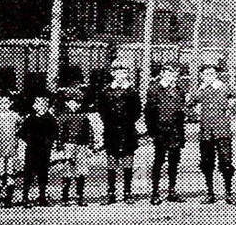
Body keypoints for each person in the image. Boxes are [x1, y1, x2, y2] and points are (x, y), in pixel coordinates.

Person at [188, 62, 236, 205]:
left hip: (222, 132)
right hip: (206, 132)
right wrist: (195, 117)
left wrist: (231, 111)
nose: (209, 77)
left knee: (226, 162)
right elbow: (187, 106)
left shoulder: (224, 88)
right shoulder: (199, 90)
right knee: (207, 162)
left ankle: (229, 193)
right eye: (206, 74)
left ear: (216, 75)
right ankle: (210, 193)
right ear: (202, 76)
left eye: (212, 74)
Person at [95, 62, 141, 204]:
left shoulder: (132, 92)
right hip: (111, 131)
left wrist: (127, 122)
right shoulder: (106, 91)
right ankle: (111, 193)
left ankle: (127, 192)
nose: (120, 75)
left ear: (127, 74)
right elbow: (101, 110)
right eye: (117, 72)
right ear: (113, 74)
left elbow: (137, 111)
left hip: (128, 131)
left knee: (128, 162)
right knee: (111, 162)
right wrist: (110, 123)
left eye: (123, 72)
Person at [146, 65, 187, 204]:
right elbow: (149, 112)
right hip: (160, 131)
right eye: (168, 73)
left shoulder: (179, 91)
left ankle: (171, 191)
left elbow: (182, 110)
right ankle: (155, 192)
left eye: (174, 73)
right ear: (162, 74)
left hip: (175, 131)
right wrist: (152, 131)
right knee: (158, 161)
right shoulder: (154, 89)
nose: (171, 76)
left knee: (174, 162)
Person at [55, 84, 95, 206]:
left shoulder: (84, 116)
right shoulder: (63, 116)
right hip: (68, 145)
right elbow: (60, 132)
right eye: (70, 102)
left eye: (77, 102)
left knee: (81, 171)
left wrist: (91, 145)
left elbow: (89, 131)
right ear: (66, 103)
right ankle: (65, 196)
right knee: (67, 170)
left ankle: (80, 196)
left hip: (81, 146)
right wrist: (59, 146)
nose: (74, 104)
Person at [19, 91, 58, 207]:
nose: (40, 106)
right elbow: (22, 133)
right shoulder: (29, 119)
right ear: (34, 105)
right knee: (28, 173)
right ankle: (25, 197)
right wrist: (28, 141)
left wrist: (50, 142)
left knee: (43, 173)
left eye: (43, 103)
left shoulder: (50, 119)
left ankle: (42, 196)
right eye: (38, 103)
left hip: (45, 150)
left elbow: (55, 133)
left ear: (47, 106)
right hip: (31, 149)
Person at [0, 92, 22, 208]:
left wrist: (17, 139)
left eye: (6, 102)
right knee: (0, 172)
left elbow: (21, 127)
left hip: (11, 148)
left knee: (10, 172)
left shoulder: (15, 115)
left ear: (10, 103)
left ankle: (8, 199)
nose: (3, 105)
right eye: (1, 103)